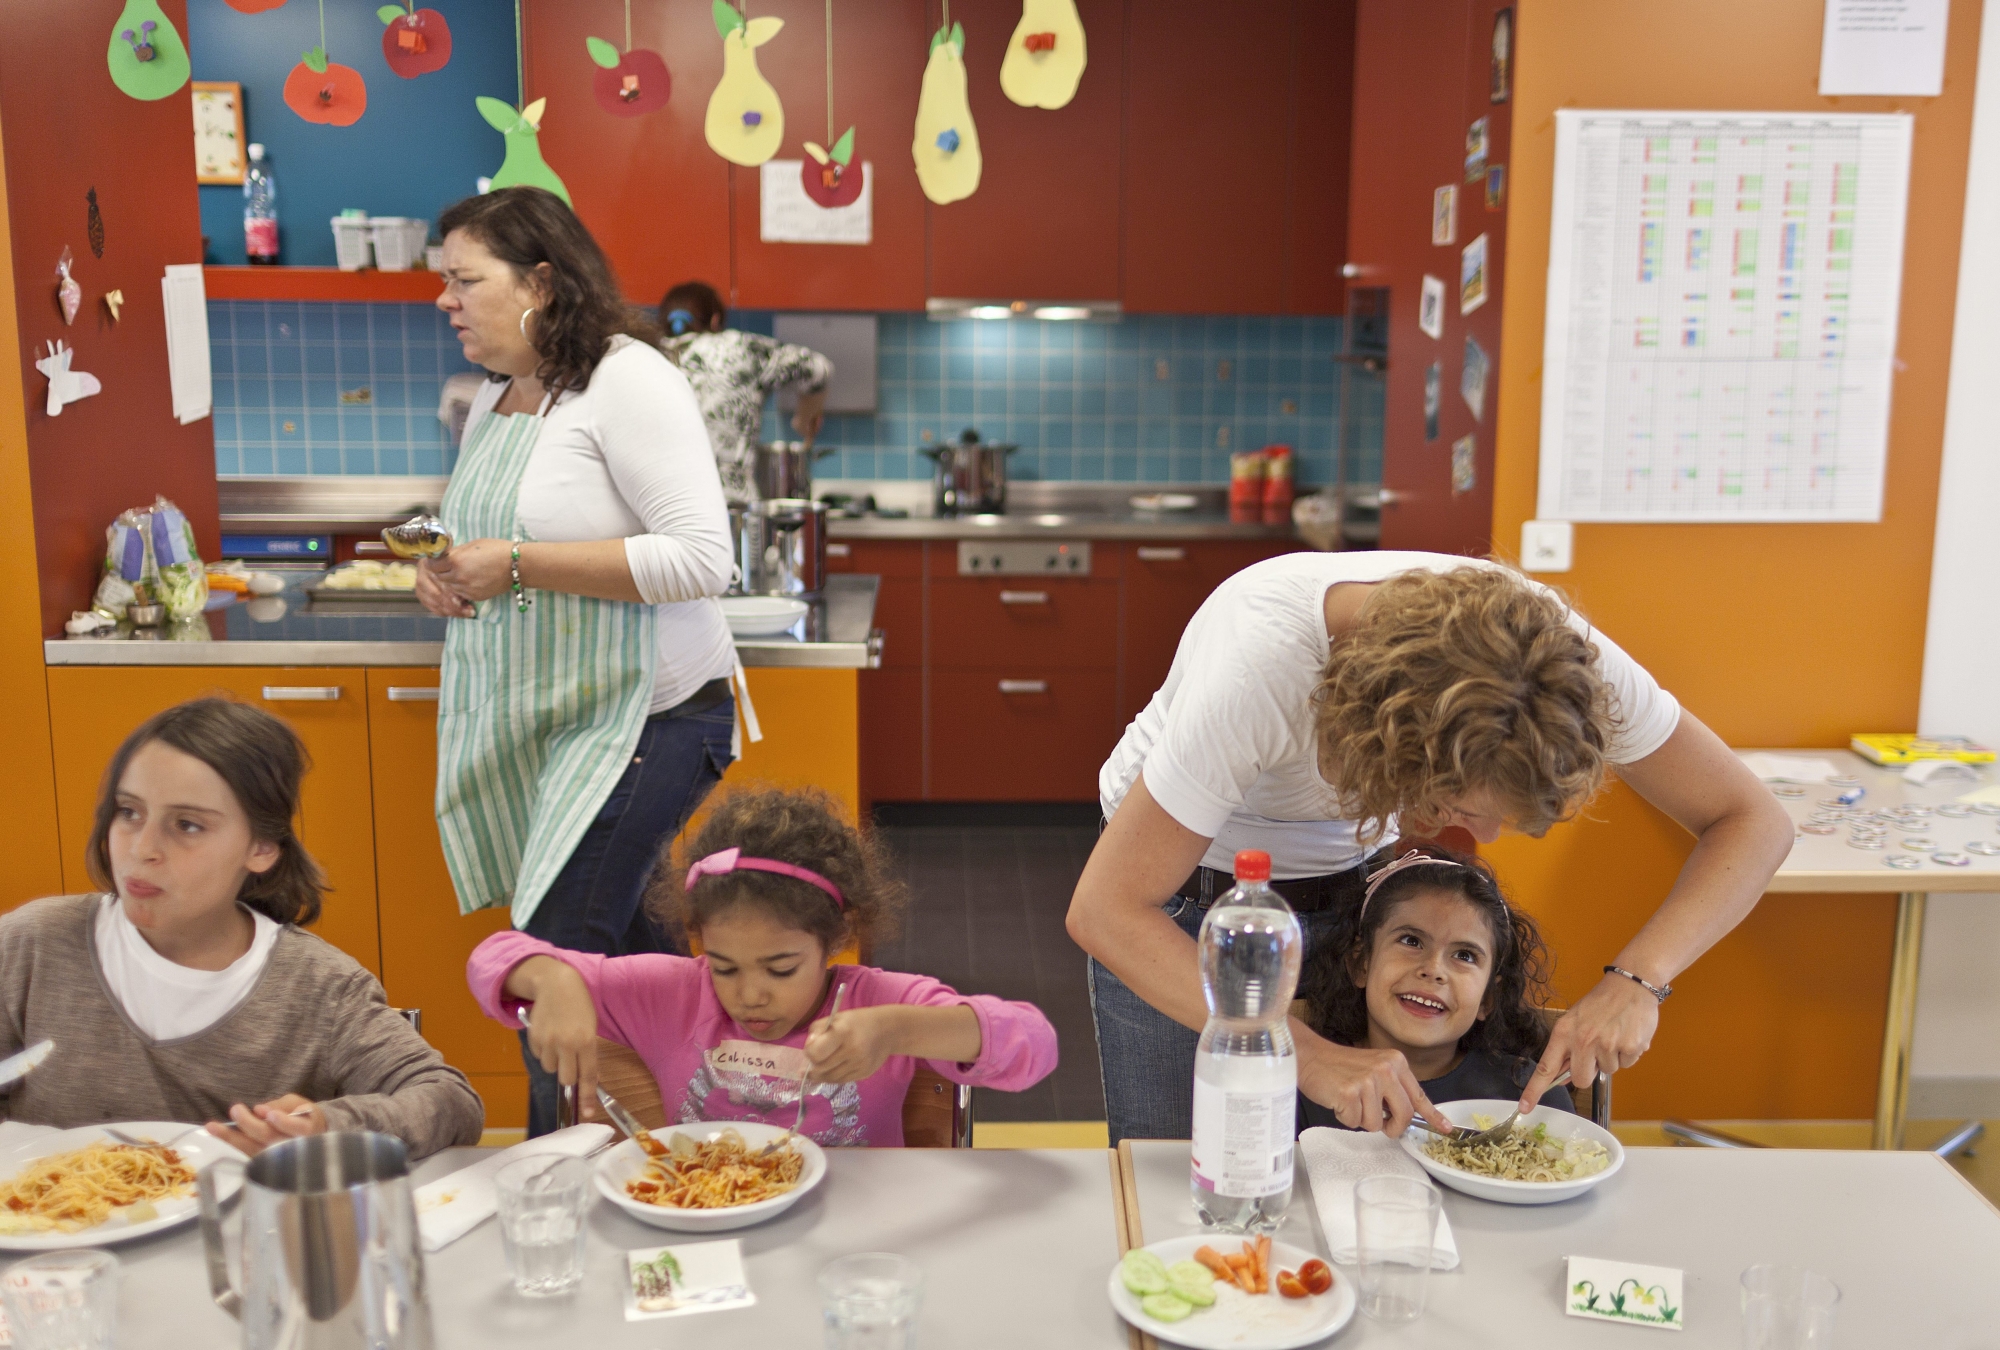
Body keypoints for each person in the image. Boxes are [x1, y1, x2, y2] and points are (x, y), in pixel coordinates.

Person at [1067, 552, 1792, 1144]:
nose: (1478, 839)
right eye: (1458, 807)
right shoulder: (1264, 666)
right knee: (1193, 1179)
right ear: (1392, 745)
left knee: (1358, 1184)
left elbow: (1755, 821)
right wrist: (1308, 1054)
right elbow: (1107, 911)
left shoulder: (1558, 667)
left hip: (1352, 888)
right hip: (1185, 906)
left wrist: (1639, 980)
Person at [418, 187, 738, 1138]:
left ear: (542, 282)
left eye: (465, 279)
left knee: (555, 958)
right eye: (444, 281)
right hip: (551, 723)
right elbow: (487, 539)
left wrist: (515, 565)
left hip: (649, 719)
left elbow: (700, 559)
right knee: (640, 970)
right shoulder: (493, 398)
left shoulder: (626, 379)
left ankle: (556, 1179)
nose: (446, 300)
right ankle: (704, 1142)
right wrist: (443, 577)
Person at [0, 699, 483, 1160]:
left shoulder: (322, 988)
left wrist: (326, 1129)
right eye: (129, 812)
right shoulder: (30, 946)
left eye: (187, 825)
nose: (142, 848)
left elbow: (449, 1102)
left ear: (262, 848)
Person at [466, 787, 1059, 1146]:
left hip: (854, 1238)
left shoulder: (876, 1001)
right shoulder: (669, 994)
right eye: (724, 967)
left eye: (781, 970)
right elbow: (491, 957)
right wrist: (553, 978)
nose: (749, 995)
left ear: (835, 939)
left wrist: (897, 1030)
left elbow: (1034, 1041)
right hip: (711, 1236)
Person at [1295, 848, 1573, 1131]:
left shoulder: (1532, 1095)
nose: (1433, 969)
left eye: (1464, 955)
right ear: (1361, 964)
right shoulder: (1308, 1083)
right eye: (1411, 941)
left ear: (1488, 998)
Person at [660, 280, 832, 504]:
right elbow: (818, 368)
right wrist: (804, 419)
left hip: (665, 508)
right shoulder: (738, 349)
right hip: (731, 508)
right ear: (715, 320)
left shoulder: (646, 356)